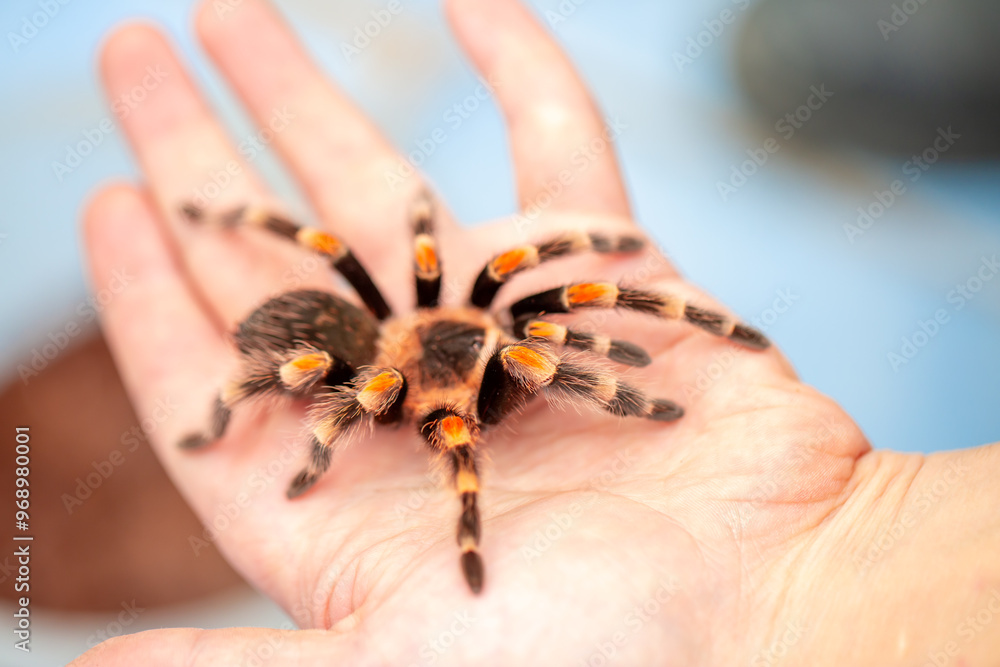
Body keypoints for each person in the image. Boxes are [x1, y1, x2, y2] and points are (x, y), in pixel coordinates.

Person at [72, 0, 1000, 664]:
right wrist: (324, 455)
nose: (528, 356)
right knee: (319, 342)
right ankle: (238, 393)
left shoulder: (480, 312)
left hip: (405, 335)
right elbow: (377, 393)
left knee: (532, 294)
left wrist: (603, 261)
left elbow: (542, 279)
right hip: (365, 354)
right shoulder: (423, 393)